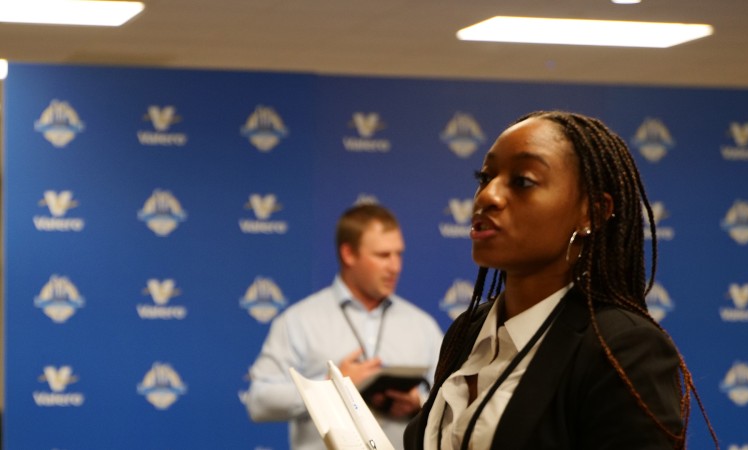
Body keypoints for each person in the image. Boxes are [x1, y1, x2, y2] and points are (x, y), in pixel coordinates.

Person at [404, 111, 718, 450]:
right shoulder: (468, 331)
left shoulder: (622, 347)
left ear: (592, 212)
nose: (488, 196)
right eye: (485, 177)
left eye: (522, 181)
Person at [246, 203, 444, 450]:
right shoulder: (299, 321)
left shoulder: (422, 326)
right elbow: (259, 401)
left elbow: (454, 401)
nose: (395, 266)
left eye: (399, 254)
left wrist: (419, 403)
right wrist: (329, 388)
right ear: (349, 254)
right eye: (383, 255)